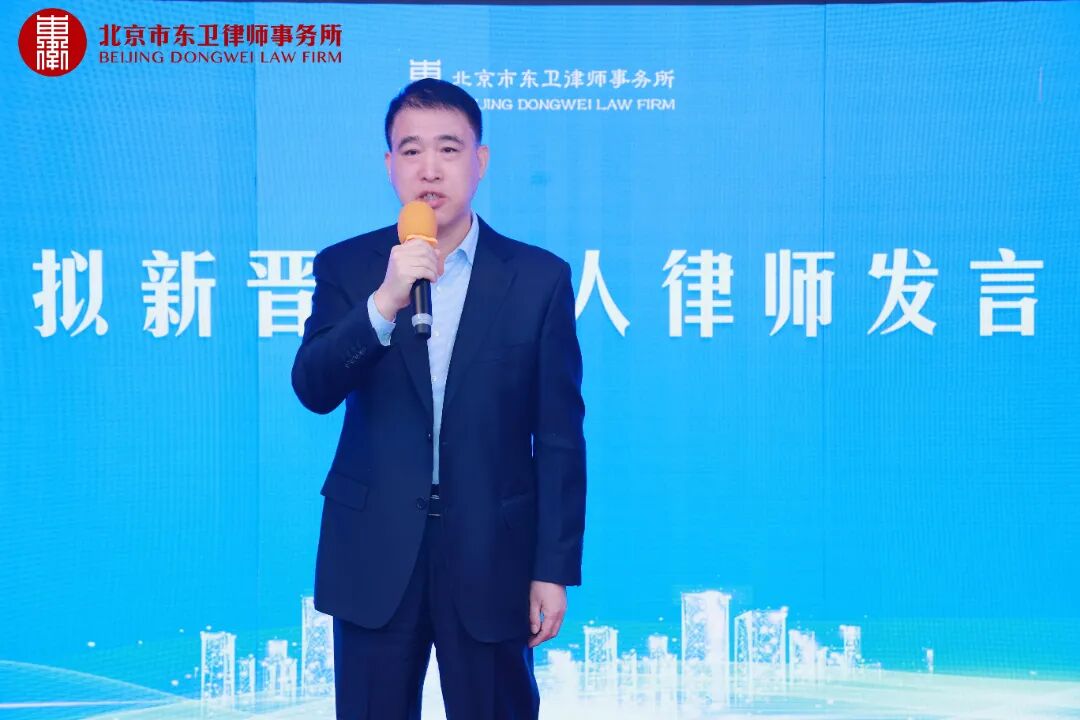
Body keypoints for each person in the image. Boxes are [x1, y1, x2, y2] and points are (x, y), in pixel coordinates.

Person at [291, 78, 587, 720]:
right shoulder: (348, 268)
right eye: (411, 150)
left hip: (492, 555)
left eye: (449, 149)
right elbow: (313, 387)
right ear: (389, 164)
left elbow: (560, 437)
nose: (430, 169)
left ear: (480, 161)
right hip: (373, 551)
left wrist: (553, 568)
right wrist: (383, 302)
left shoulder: (538, 278)